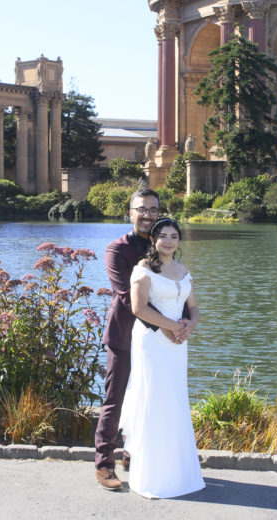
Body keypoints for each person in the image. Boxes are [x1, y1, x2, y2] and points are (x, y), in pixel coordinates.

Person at [94, 189, 192, 491]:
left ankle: (135, 454)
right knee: (116, 398)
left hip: (160, 343)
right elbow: (127, 298)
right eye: (142, 209)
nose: (148, 214)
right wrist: (168, 326)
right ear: (130, 212)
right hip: (125, 334)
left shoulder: (164, 245)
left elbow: (179, 288)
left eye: (153, 209)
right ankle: (104, 463)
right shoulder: (117, 249)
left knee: (151, 396)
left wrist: (186, 322)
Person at [120, 217, 204, 498]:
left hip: (178, 344)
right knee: (153, 397)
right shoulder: (143, 269)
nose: (169, 241)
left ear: (179, 241)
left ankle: (179, 472)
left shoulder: (184, 270)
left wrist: (188, 327)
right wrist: (171, 327)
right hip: (152, 342)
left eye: (174, 236)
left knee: (175, 399)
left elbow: (193, 308)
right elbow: (138, 308)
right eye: (163, 236)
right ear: (154, 240)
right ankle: (152, 474)